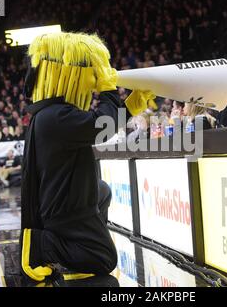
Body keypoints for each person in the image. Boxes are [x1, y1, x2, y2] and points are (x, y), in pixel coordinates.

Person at [20, 32, 155, 282]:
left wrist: (130, 107)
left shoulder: (54, 112)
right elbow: (101, 129)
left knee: (102, 191)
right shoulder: (56, 115)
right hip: (64, 209)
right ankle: (43, 245)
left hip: (69, 199)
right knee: (104, 259)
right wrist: (108, 90)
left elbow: (98, 125)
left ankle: (80, 240)